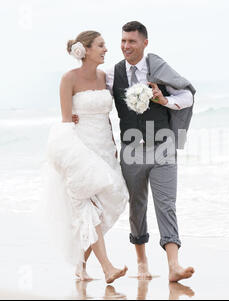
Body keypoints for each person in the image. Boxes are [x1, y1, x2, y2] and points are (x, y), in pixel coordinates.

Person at [73, 21, 195, 282]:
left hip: (162, 146)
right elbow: (94, 97)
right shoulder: (112, 74)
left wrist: (165, 100)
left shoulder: (158, 68)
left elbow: (187, 95)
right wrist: (75, 114)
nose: (126, 46)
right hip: (131, 151)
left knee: (166, 204)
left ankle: (174, 265)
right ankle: (141, 261)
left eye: (132, 41)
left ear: (145, 44)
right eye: (123, 41)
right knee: (137, 207)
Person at [42, 30, 128, 284]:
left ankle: (80, 267)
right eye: (101, 45)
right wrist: (70, 157)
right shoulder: (68, 79)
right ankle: (108, 268)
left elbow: (106, 116)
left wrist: (113, 145)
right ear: (86, 50)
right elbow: (67, 121)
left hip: (104, 147)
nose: (105, 49)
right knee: (89, 209)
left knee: (108, 203)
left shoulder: (104, 77)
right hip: (81, 150)